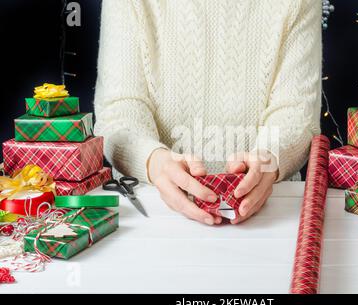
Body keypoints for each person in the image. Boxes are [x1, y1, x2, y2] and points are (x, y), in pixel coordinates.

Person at [94, 0, 322, 226]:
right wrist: (155, 162)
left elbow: (296, 112)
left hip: (268, 214)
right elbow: (119, 109)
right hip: (150, 212)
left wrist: (270, 157)